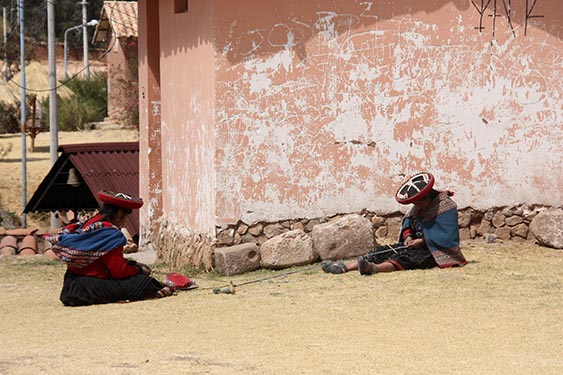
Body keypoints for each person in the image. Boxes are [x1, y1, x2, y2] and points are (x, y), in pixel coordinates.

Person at [44, 190, 194, 306]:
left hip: (71, 285)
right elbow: (118, 271)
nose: (124, 222)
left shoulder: (90, 224)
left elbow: (103, 260)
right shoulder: (110, 234)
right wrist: (140, 270)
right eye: (125, 217)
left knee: (136, 274)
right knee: (143, 283)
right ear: (119, 213)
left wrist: (132, 265)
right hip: (90, 287)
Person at [321, 172, 467, 275]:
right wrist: (409, 237)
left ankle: (372, 269)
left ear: (426, 198)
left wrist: (421, 241)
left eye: (417, 203)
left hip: (434, 251)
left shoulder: (446, 207)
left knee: (407, 258)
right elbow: (409, 222)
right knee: (383, 250)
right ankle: (346, 266)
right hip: (415, 245)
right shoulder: (419, 207)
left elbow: (446, 237)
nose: (416, 206)